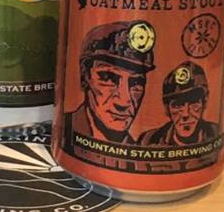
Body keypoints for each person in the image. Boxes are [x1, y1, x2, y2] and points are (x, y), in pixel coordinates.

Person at [64, 19, 155, 149]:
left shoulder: (136, 148)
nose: (123, 102)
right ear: (85, 76)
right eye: (108, 78)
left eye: (136, 83)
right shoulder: (65, 130)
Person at [138, 63, 222, 150]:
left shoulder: (216, 133)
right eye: (177, 105)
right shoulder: (148, 140)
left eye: (194, 103)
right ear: (167, 108)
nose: (186, 114)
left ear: (205, 102)